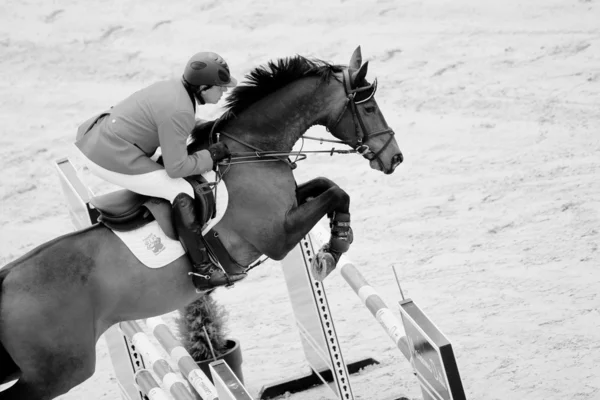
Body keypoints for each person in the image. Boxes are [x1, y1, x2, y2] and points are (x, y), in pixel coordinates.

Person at [74, 51, 245, 290]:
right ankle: (204, 272)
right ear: (204, 87)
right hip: (108, 155)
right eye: (220, 87)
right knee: (181, 191)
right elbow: (177, 168)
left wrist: (202, 127)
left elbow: (170, 121)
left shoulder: (176, 88)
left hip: (103, 136)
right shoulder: (181, 109)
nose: (224, 91)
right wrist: (210, 156)